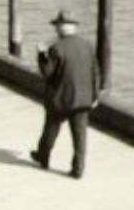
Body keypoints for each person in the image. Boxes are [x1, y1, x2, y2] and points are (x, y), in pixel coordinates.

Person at [30, 10, 102, 179]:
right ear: (74, 27)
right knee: (80, 136)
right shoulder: (87, 45)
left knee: (51, 128)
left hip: (60, 99)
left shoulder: (56, 48)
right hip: (83, 99)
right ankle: (78, 168)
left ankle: (43, 156)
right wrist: (95, 95)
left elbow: (47, 73)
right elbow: (95, 72)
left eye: (57, 26)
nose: (55, 29)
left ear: (61, 27)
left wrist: (41, 55)